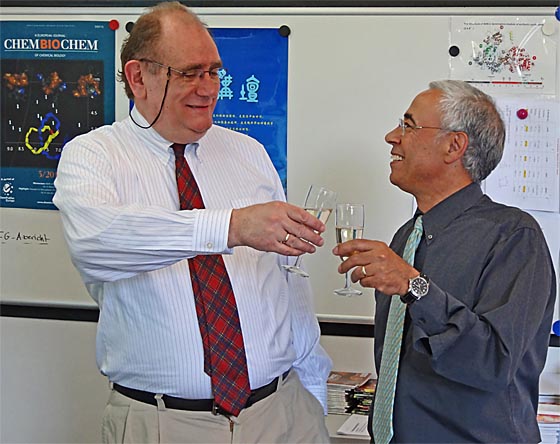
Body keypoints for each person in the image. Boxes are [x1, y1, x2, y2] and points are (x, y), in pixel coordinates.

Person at [53, 2, 332, 443]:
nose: (208, 88)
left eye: (213, 72)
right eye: (189, 73)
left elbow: (286, 284)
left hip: (282, 412)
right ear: (138, 77)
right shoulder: (93, 155)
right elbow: (96, 243)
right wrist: (230, 228)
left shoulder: (248, 153)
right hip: (164, 422)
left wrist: (312, 390)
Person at [334, 80, 556, 443]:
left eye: (408, 126)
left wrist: (415, 287)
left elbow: (494, 361)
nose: (392, 137)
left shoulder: (515, 237)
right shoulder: (406, 237)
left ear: (454, 146)